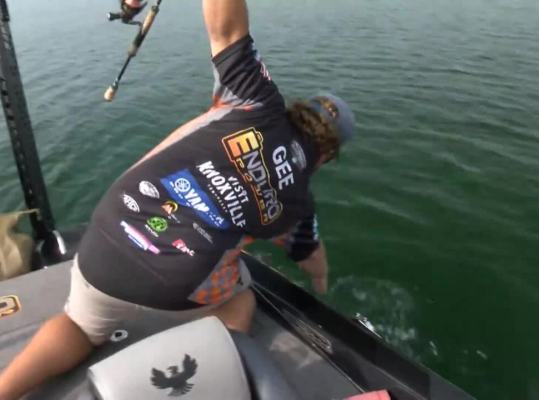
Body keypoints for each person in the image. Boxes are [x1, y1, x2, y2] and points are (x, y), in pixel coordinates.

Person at [0, 0, 355, 399]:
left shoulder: (254, 99)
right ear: (327, 155)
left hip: (107, 238)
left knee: (80, 325)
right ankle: (193, 376)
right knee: (241, 300)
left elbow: (227, 28)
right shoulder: (299, 206)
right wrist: (322, 284)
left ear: (297, 110)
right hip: (176, 282)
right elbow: (311, 256)